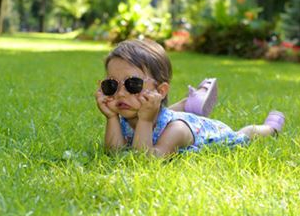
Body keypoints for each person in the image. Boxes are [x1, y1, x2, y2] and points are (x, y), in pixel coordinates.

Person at [94, 39, 285, 157]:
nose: (120, 93)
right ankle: (189, 103)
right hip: (160, 115)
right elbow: (115, 153)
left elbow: (145, 160)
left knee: (244, 134)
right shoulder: (127, 117)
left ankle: (270, 128)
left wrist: (144, 120)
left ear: (161, 91)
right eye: (111, 85)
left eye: (132, 84)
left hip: (214, 134)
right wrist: (111, 117)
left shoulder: (177, 130)